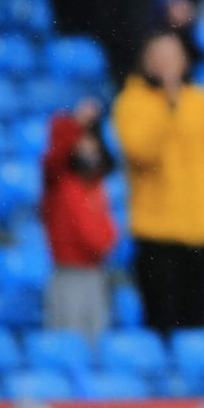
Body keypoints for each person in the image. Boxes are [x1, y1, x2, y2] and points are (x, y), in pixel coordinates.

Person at [112, 31, 204, 335]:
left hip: (200, 229)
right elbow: (141, 151)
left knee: (197, 321)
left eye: (172, 57)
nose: (166, 64)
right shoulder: (132, 102)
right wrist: (170, 108)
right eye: (159, 57)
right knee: (161, 321)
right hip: (157, 231)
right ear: (146, 61)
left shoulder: (200, 100)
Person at [40, 99, 117, 340]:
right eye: (81, 143)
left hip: (95, 273)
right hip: (68, 273)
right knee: (66, 340)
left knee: (96, 340)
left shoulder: (96, 186)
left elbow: (106, 229)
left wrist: (104, 246)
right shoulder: (60, 182)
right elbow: (54, 157)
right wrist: (75, 123)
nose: (88, 150)